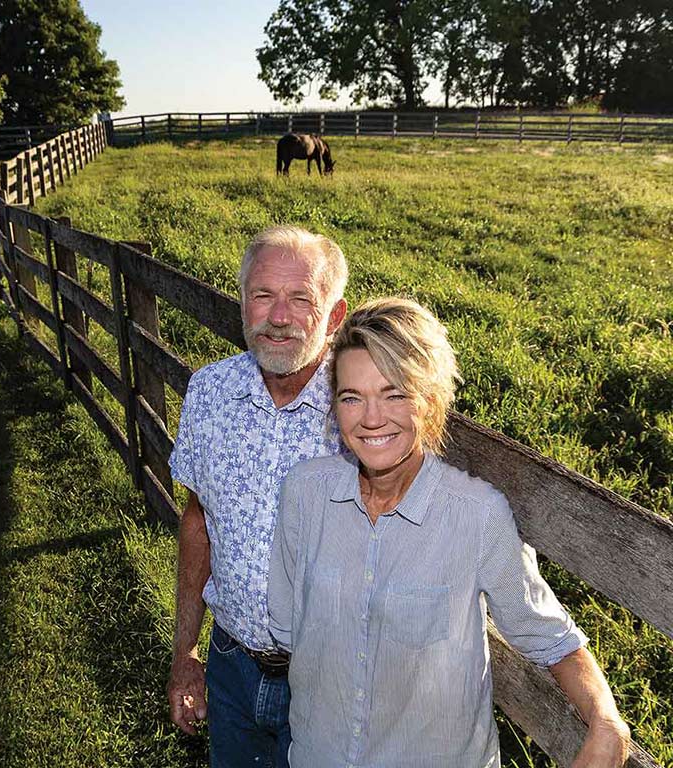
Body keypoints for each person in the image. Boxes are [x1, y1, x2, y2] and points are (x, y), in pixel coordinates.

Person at [268, 297, 631, 768]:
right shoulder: (304, 493)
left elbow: (549, 636)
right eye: (351, 396)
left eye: (395, 393)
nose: (371, 417)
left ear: (431, 399)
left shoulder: (476, 516)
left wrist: (607, 722)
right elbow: (286, 625)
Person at [167, 225, 349, 767]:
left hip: (328, 686)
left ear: (334, 317)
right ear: (242, 304)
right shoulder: (210, 391)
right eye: (263, 295)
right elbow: (198, 521)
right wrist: (185, 653)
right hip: (230, 667)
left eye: (301, 299)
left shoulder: (363, 414)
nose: (278, 317)